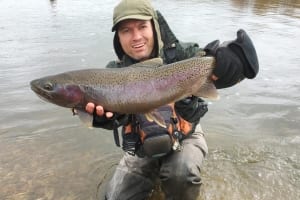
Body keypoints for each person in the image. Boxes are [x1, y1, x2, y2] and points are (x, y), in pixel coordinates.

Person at [84, 0, 259, 199]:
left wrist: (232, 58)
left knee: (180, 175)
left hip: (185, 136)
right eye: (126, 31)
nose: (136, 37)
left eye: (142, 27)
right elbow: (117, 119)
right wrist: (105, 119)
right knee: (115, 197)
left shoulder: (182, 55)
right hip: (142, 148)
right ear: (118, 37)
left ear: (154, 26)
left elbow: (216, 62)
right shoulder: (114, 73)